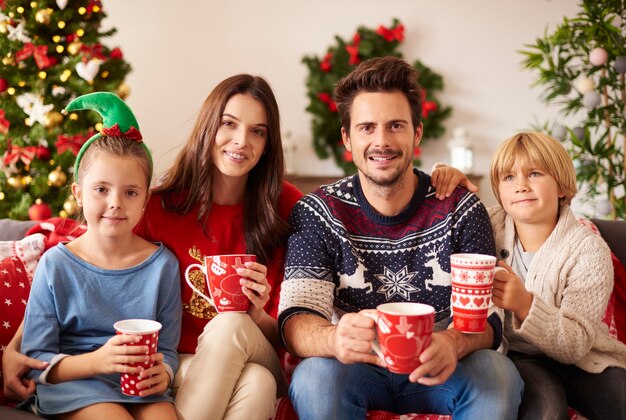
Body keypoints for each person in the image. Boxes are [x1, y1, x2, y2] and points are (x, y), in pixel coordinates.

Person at [277, 56, 523, 419]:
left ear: (417, 133)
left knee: (498, 375)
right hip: (357, 368)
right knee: (314, 377)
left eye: (395, 126)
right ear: (346, 137)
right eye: (366, 128)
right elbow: (296, 316)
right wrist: (334, 338)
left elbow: (489, 317)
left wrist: (452, 343)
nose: (381, 141)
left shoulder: (460, 208)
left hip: (443, 369)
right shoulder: (317, 213)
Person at [435, 132, 626, 419]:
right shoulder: (487, 224)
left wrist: (525, 304)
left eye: (534, 173)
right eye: (509, 177)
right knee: (547, 409)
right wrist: (447, 178)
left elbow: (575, 344)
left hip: (583, 358)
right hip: (520, 356)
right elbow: (441, 216)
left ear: (561, 187)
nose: (521, 186)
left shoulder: (588, 250)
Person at [18, 92, 182, 418]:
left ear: (146, 199)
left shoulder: (163, 266)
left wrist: (163, 373)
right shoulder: (56, 265)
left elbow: (167, 350)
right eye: (101, 189)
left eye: (130, 192)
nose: (115, 203)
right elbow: (36, 360)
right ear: (78, 194)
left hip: (137, 386)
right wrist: (98, 361)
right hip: (76, 382)